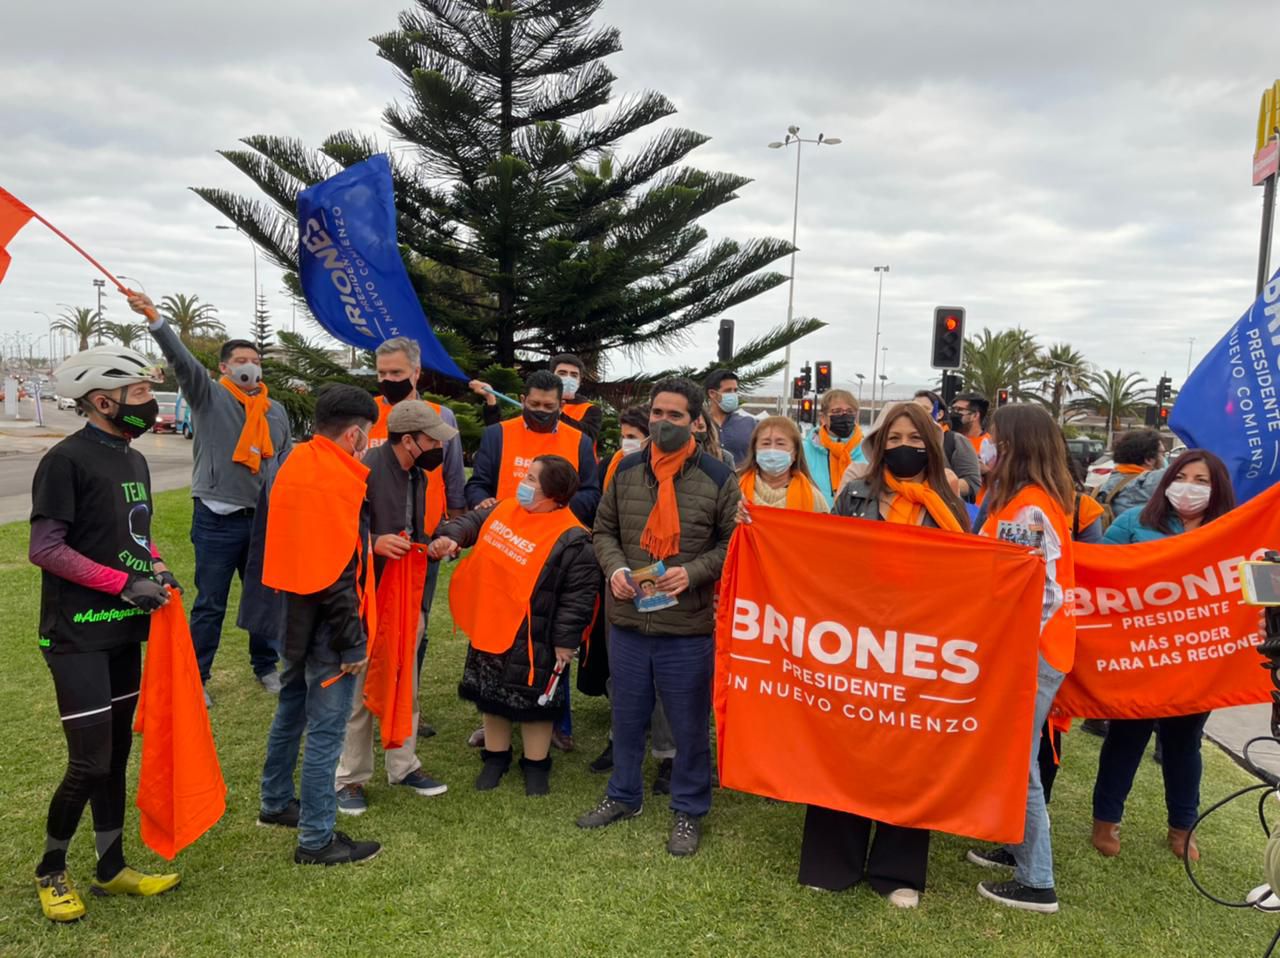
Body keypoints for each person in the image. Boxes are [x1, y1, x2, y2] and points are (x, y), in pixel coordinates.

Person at [28, 346, 181, 922]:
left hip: (123, 631)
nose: (150, 403)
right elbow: (44, 548)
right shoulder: (66, 460)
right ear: (102, 401)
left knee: (117, 754)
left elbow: (137, 535)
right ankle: (51, 871)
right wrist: (121, 584)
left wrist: (159, 569)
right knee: (88, 762)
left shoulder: (133, 458)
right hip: (76, 635)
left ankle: (111, 866)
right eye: (139, 394)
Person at [800, 402, 968, 910]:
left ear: (932, 447)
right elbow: (825, 555)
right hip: (856, 644)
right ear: (879, 445)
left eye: (914, 440)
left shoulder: (949, 505)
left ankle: (898, 870)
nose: (903, 448)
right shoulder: (855, 493)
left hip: (920, 649)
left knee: (910, 756)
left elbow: (969, 577)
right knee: (844, 745)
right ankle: (832, 862)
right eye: (893, 438)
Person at [578, 378, 740, 857]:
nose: (662, 423)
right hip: (628, 620)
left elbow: (734, 544)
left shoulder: (716, 476)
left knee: (689, 725)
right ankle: (623, 795)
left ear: (695, 421)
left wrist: (693, 572)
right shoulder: (625, 470)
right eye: (656, 414)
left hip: (687, 627)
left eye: (674, 416)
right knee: (626, 718)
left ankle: (688, 809)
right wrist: (615, 568)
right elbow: (602, 530)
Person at [131, 291, 292, 698]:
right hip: (217, 519)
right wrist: (155, 319)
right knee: (210, 604)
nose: (249, 367)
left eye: (254, 360)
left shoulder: (274, 410)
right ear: (223, 367)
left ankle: (265, 665)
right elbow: (183, 362)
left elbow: (285, 456)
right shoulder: (209, 395)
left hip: (263, 520)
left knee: (263, 599)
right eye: (240, 361)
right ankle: (198, 677)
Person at [1090, 450, 1235, 863]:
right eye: (1182, 475)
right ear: (1167, 478)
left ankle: (1182, 827)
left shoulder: (1231, 532)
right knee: (1125, 737)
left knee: (1184, 743)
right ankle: (1106, 820)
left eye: (1202, 480)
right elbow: (1100, 573)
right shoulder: (1133, 522)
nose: (1190, 486)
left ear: (1217, 487)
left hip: (1197, 661)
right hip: (1138, 656)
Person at [257, 385, 381, 866]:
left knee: (291, 709)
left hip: (291, 618)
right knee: (327, 731)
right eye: (366, 435)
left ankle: (274, 801)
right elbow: (336, 573)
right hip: (327, 628)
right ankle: (316, 838)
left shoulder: (296, 461)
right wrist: (353, 644)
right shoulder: (334, 479)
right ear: (354, 435)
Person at [432, 455, 600, 795]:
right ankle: (496, 757)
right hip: (491, 623)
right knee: (490, 694)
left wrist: (565, 642)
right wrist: (452, 536)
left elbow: (577, 598)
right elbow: (471, 523)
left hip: (535, 635)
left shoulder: (574, 538)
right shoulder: (505, 509)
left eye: (532, 479)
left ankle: (536, 764)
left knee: (535, 704)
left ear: (552, 494)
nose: (524, 483)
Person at [966, 404, 1077, 915]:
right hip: (1030, 651)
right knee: (1013, 760)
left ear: (1014, 446)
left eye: (993, 438)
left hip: (1030, 655)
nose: (985, 445)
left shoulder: (1029, 507)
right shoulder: (1020, 500)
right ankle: (1016, 848)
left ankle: (1037, 881)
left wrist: (1006, 646)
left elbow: (1044, 592)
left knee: (1019, 764)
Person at [334, 401, 458, 816]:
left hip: (407, 595)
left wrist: (438, 541)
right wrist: (373, 545)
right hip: (368, 598)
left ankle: (404, 766)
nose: (440, 447)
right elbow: (335, 533)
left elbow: (416, 528)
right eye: (432, 440)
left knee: (407, 680)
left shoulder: (418, 474)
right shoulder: (363, 469)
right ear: (409, 440)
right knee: (359, 691)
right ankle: (349, 777)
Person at [368, 336, 467, 738]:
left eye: (397, 373)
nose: (389, 380)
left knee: (416, 626)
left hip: (422, 543)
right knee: (372, 625)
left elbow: (455, 478)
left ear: (416, 372)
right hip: (373, 540)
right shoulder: (366, 413)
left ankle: (408, 703)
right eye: (382, 374)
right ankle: (369, 702)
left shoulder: (440, 415)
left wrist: (455, 529)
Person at [465, 370, 600, 525]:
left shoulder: (580, 441)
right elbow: (477, 484)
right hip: (502, 528)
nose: (541, 411)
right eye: (534, 404)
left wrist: (554, 508)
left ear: (561, 406)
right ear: (523, 401)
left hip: (553, 531)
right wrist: (482, 501)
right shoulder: (497, 434)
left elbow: (590, 493)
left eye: (549, 406)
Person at [471, 353, 603, 444]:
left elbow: (586, 437)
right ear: (552, 375)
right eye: (562, 373)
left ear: (580, 380)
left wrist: (554, 412)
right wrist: (490, 399)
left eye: (574, 375)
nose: (568, 378)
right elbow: (503, 432)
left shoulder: (590, 410)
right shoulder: (532, 404)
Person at [738, 416, 830, 514]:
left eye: (780, 444)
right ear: (755, 450)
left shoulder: (813, 497)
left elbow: (826, 527)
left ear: (795, 453)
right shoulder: (735, 490)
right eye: (766, 443)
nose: (772, 450)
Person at [913, 390, 982, 500]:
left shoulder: (956, 441)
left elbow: (972, 482)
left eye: (924, 409)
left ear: (939, 414)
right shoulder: (905, 440)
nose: (919, 414)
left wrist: (937, 486)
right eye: (915, 409)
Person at [800, 389, 862, 505]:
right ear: (823, 417)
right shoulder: (803, 452)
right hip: (816, 519)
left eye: (849, 411)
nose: (844, 415)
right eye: (837, 411)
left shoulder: (869, 451)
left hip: (856, 521)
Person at [1095, 428, 1167, 522]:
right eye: (1162, 453)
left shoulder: (1105, 484)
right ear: (1149, 459)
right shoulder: (1147, 483)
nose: (1164, 458)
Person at [704, 368, 755, 465]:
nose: (733, 394)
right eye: (728, 391)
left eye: (735, 390)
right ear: (712, 394)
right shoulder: (699, 424)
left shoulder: (750, 423)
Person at [950, 392, 994, 478]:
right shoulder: (948, 438)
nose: (954, 414)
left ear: (975, 415)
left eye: (959, 410)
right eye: (953, 409)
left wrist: (986, 471)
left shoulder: (990, 445)